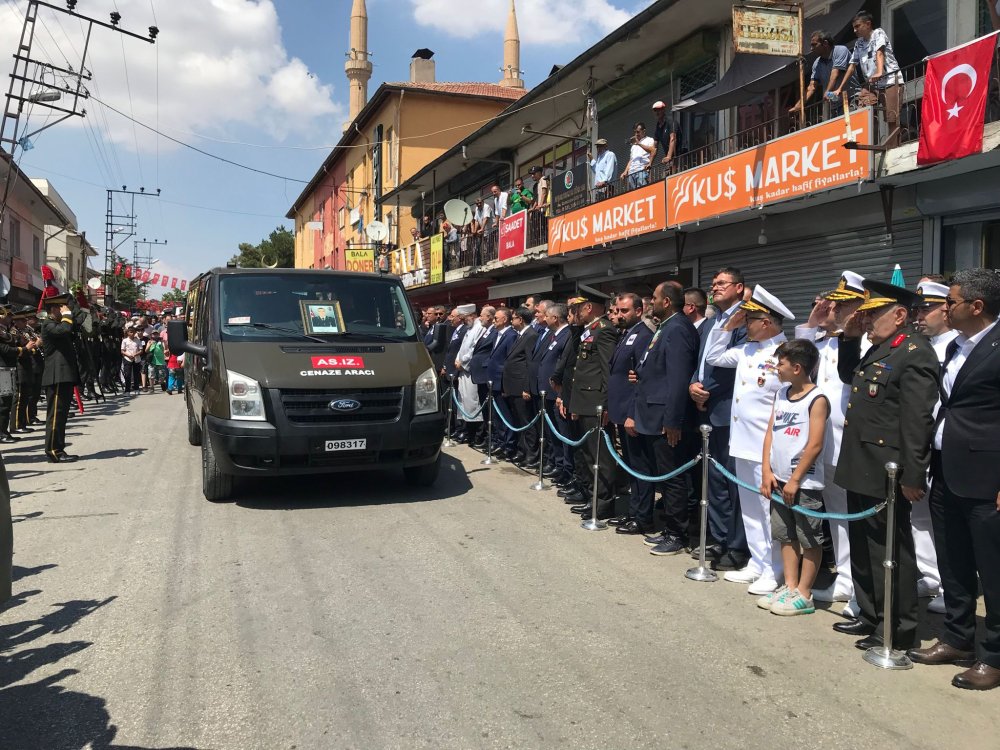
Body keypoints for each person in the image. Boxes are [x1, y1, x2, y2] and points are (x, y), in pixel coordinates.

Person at [833, 279, 939, 653]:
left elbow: (917, 421)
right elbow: (850, 378)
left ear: (898, 314)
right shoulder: (881, 347)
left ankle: (897, 626)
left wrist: (913, 473)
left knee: (890, 550)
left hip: (887, 466)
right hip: (861, 461)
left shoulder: (914, 352)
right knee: (862, 544)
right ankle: (870, 612)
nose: (866, 320)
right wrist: (846, 338)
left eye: (874, 313)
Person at [907, 268, 1000, 691]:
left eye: (952, 301)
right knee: (954, 562)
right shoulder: (955, 347)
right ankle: (958, 638)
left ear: (976, 307)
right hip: (947, 469)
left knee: (993, 569)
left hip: (986, 477)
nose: (945, 307)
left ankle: (994, 656)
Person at [704, 285, 793, 595]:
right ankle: (757, 561)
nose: (745, 323)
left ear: (766, 321)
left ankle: (775, 568)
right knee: (751, 509)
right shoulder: (748, 350)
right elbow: (713, 356)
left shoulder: (786, 353)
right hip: (742, 442)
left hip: (768, 446)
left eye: (750, 319)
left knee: (770, 511)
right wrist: (725, 326)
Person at [795, 271, 867, 616]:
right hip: (822, 441)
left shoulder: (863, 342)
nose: (834, 310)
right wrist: (813, 321)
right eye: (832, 305)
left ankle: (860, 587)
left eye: (842, 304)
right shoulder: (824, 342)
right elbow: (798, 354)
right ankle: (845, 578)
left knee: (855, 517)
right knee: (836, 514)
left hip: (849, 442)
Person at [759, 339, 830, 615]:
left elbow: (814, 444)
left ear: (797, 368)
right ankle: (789, 586)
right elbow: (770, 433)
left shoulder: (817, 399)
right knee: (786, 535)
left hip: (803, 482)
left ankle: (804, 592)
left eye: (781, 364)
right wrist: (767, 470)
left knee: (809, 536)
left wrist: (796, 479)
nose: (777, 368)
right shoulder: (781, 394)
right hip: (777, 478)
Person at [626, 283, 699, 545]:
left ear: (666, 302)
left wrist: (673, 420)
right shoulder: (666, 326)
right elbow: (660, 369)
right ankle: (670, 527)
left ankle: (677, 533)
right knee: (665, 477)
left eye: (654, 298)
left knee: (673, 478)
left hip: (665, 419)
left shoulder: (678, 328)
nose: (650, 303)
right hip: (652, 414)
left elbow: (679, 379)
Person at [690, 268, 751, 571]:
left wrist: (706, 391)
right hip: (707, 410)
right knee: (713, 479)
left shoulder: (746, 320)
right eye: (713, 284)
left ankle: (738, 546)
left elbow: (737, 366)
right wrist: (693, 383)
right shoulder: (714, 321)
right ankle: (719, 537)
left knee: (732, 481)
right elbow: (702, 361)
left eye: (721, 284)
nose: (714, 288)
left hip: (728, 409)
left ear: (739, 288)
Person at [911, 280, 957, 615]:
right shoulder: (924, 346)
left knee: (947, 520)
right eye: (917, 308)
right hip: (922, 442)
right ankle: (930, 574)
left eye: (927, 307)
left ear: (947, 308)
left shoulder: (956, 346)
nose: (920, 314)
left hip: (949, 445)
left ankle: (950, 582)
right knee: (921, 515)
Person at [565, 294, 620, 520]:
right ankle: (592, 497)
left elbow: (607, 370)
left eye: (577, 309)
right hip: (584, 401)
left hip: (595, 401)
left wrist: (606, 404)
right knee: (588, 455)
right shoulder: (588, 329)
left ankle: (603, 503)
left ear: (588, 307)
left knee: (601, 458)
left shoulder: (604, 329)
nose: (574, 314)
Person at [607, 294, 654, 527]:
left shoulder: (643, 335)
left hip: (631, 413)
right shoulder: (626, 334)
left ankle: (642, 517)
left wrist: (632, 415)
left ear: (639, 310)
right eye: (618, 311)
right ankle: (634, 511)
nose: (619, 315)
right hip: (620, 410)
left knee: (639, 466)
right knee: (630, 465)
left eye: (625, 311)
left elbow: (642, 381)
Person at [833, 12, 902, 148]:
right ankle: (871, 143)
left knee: (892, 117)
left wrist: (880, 71)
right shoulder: (859, 43)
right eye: (854, 27)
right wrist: (840, 88)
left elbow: (880, 52)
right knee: (863, 109)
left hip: (890, 80)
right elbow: (852, 66)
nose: (855, 30)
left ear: (868, 24)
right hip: (872, 84)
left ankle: (893, 147)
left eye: (857, 26)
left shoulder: (878, 33)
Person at [39, 294, 80, 463]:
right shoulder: (48, 324)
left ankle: (59, 448)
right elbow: (64, 330)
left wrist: (74, 313)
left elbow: (72, 331)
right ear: (53, 309)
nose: (65, 310)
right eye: (61, 307)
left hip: (64, 374)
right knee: (55, 415)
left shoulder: (59, 323)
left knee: (61, 415)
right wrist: (67, 316)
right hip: (56, 375)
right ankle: (53, 450)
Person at [537, 303, 571, 484]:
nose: (544, 319)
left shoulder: (567, 335)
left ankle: (566, 468)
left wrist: (560, 392)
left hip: (556, 393)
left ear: (555, 318)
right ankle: (558, 465)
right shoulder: (553, 335)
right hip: (547, 393)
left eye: (547, 316)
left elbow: (563, 366)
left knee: (562, 434)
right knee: (552, 434)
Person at [501, 307, 539, 465]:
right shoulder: (520, 335)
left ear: (521, 319)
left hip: (521, 385)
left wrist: (526, 388)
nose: (512, 321)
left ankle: (532, 453)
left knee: (526, 421)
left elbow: (529, 364)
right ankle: (521, 450)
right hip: (512, 385)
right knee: (517, 421)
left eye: (514, 318)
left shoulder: (531, 335)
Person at [788, 31, 851, 116]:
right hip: (835, 106)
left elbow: (835, 74)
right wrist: (799, 105)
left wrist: (827, 92)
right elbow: (812, 87)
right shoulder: (817, 63)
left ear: (825, 43)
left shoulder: (840, 50)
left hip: (851, 98)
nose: (811, 49)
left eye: (814, 45)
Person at [619, 122, 656, 189]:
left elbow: (653, 150)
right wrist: (625, 171)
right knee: (634, 195)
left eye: (638, 132)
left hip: (641, 171)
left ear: (644, 131)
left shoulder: (649, 140)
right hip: (631, 173)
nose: (636, 134)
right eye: (635, 132)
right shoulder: (633, 145)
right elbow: (631, 159)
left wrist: (638, 143)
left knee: (643, 191)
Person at [652, 100, 683, 171]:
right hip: (670, 160)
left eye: (659, 110)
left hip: (679, 155)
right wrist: (650, 163)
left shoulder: (670, 122)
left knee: (676, 174)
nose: (657, 112)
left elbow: (673, 139)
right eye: (655, 110)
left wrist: (668, 156)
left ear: (663, 110)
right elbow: (655, 146)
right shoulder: (658, 127)